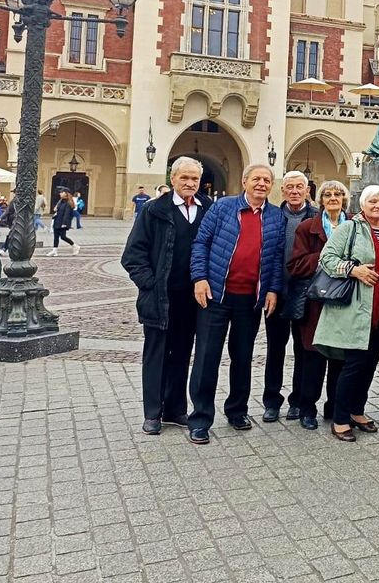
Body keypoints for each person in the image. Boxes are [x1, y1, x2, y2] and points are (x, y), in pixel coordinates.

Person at [187, 164, 285, 444]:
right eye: (256, 179)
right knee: (207, 358)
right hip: (216, 295)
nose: (261, 184)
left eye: (267, 180)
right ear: (244, 182)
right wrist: (200, 278)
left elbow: (276, 258)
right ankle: (201, 419)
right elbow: (201, 243)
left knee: (243, 357)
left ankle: (237, 410)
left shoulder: (276, 216)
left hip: (250, 299)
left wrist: (273, 290)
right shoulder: (223, 208)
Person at [120, 157, 210, 435]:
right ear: (172, 179)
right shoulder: (154, 210)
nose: (190, 183)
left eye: (194, 179)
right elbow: (133, 255)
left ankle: (175, 408)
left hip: (193, 298)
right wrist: (150, 283)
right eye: (184, 178)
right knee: (156, 354)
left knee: (182, 353)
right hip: (160, 297)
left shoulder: (208, 208)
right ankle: (152, 413)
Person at [316, 185, 379, 442]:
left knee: (370, 363)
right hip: (354, 307)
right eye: (373, 201)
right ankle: (340, 418)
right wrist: (353, 270)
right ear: (363, 204)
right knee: (353, 364)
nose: (378, 205)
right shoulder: (349, 227)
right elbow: (327, 258)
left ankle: (357, 410)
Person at [286, 180, 349, 429]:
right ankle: (306, 408)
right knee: (313, 357)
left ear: (344, 199)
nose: (333, 197)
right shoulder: (307, 228)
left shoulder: (355, 226)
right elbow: (296, 265)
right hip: (316, 300)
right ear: (320, 200)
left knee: (340, 358)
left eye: (338, 193)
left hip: (344, 299)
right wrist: (328, 258)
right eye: (328, 194)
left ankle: (334, 406)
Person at [262, 171, 318, 424]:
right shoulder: (272, 215)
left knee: (303, 350)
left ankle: (298, 400)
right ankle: (272, 401)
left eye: (299, 187)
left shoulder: (317, 217)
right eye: (289, 187)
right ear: (282, 191)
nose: (294, 191)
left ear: (307, 191)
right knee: (275, 348)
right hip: (277, 292)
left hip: (306, 294)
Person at [47, 188, 79, 256]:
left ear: (65, 193)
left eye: (61, 192)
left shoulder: (68, 203)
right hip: (57, 220)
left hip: (62, 222)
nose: (60, 193)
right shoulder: (61, 201)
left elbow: (67, 214)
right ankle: (54, 250)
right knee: (56, 236)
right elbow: (57, 210)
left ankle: (75, 246)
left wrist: (64, 223)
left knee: (63, 236)